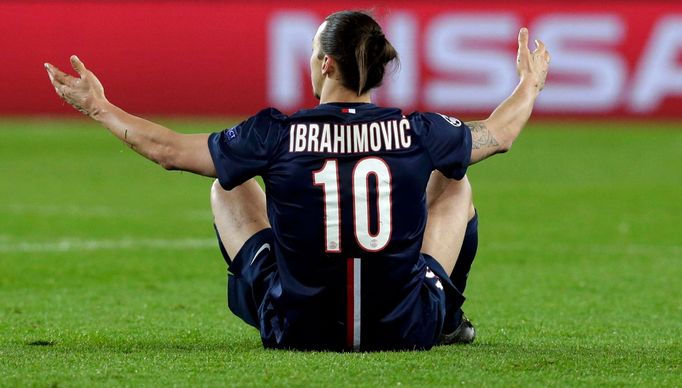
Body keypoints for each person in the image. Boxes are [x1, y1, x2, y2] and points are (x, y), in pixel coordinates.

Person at [45, 10, 549, 351]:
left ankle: (262, 298)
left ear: (326, 63)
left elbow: (168, 151)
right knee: (455, 181)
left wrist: (99, 107)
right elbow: (499, 135)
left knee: (228, 179)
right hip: (405, 326)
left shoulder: (276, 134)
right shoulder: (421, 132)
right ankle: (448, 318)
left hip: (295, 329)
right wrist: (529, 83)